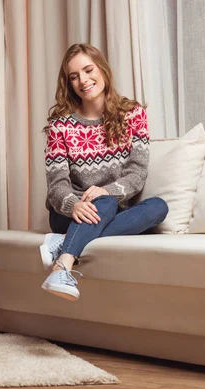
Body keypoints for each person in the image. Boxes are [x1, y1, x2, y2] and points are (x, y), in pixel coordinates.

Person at [40, 43, 169, 301]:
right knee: (104, 203)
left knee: (158, 208)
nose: (83, 80)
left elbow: (137, 174)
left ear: (102, 69)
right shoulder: (60, 126)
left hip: (112, 208)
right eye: (74, 76)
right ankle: (63, 264)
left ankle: (64, 243)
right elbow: (57, 184)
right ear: (68, 83)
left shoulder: (133, 115)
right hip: (70, 214)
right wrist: (74, 204)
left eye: (88, 70)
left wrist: (105, 192)